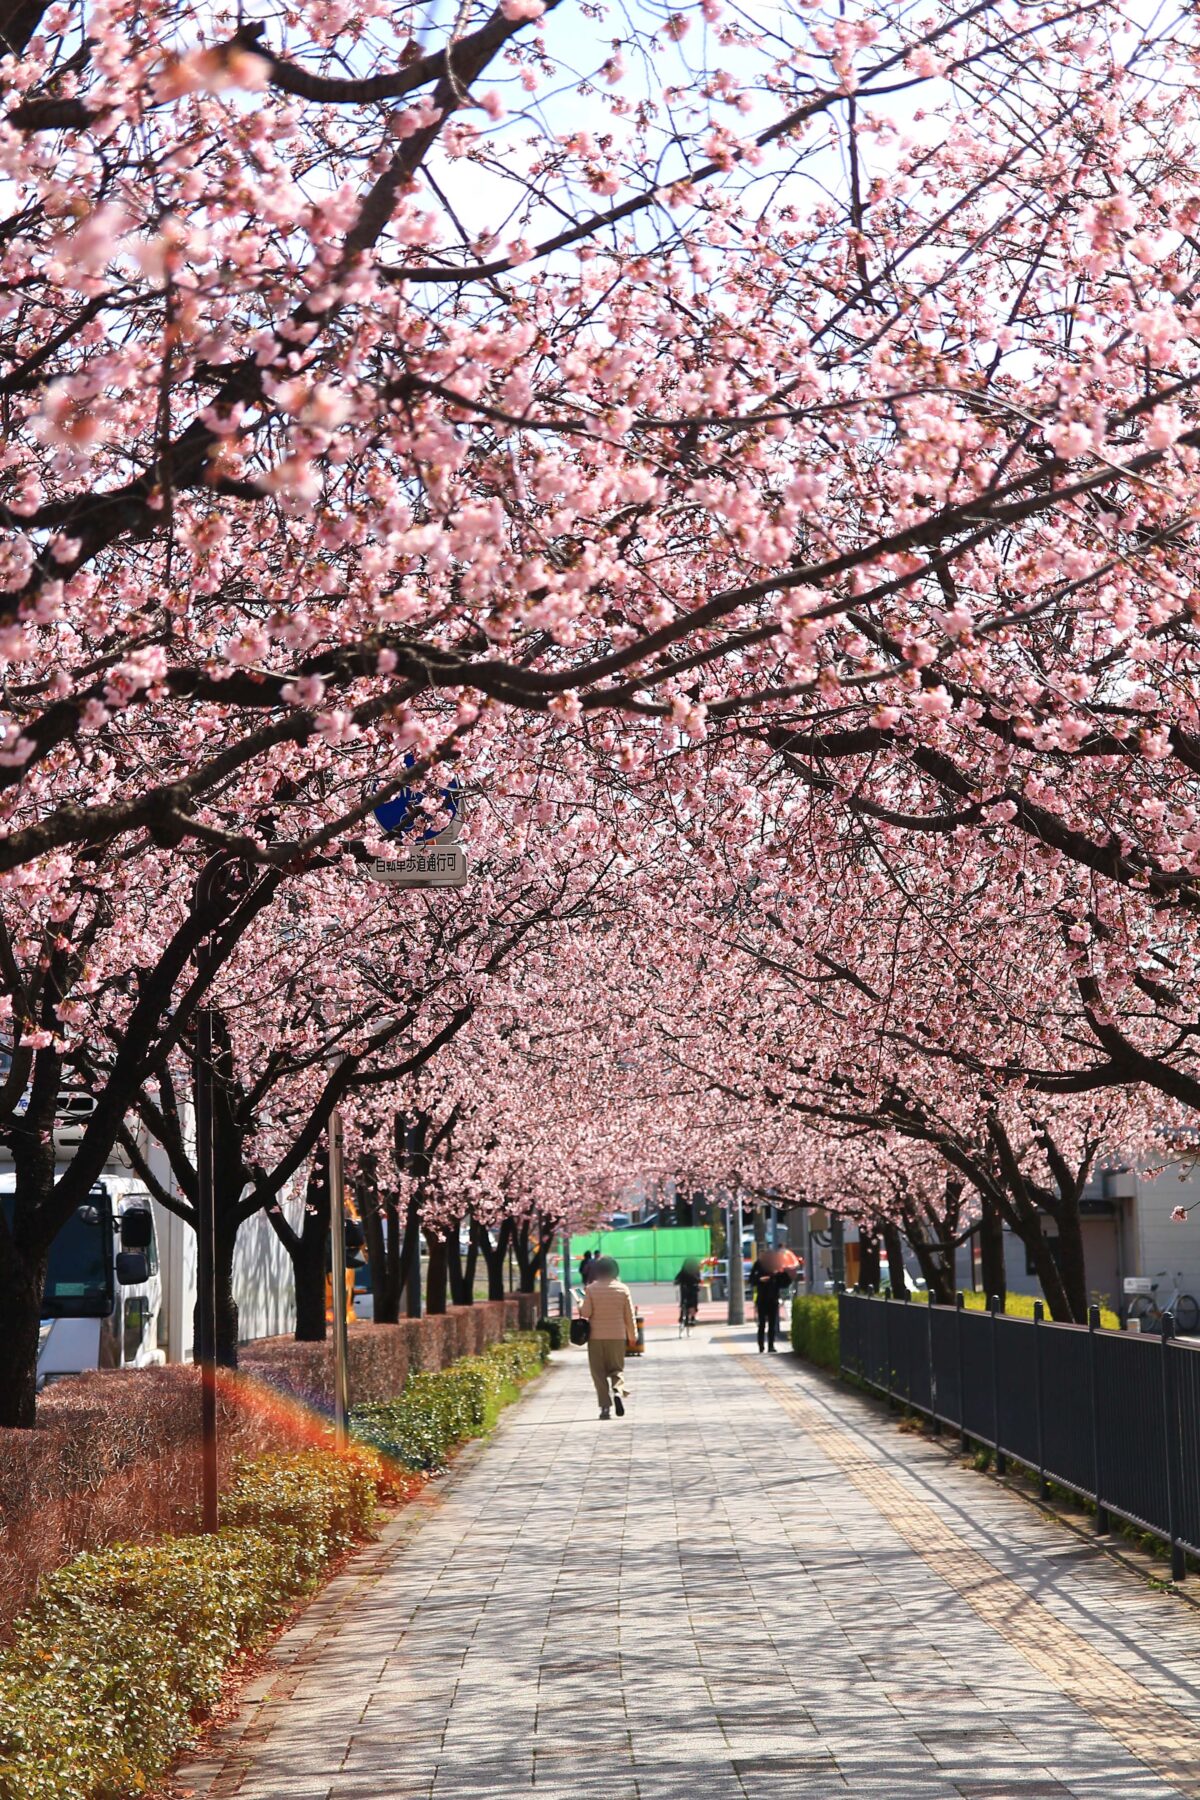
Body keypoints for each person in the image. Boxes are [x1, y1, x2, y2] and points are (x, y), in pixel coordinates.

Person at [579, 1256, 637, 1419]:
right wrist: (632, 1335)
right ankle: (618, 1391)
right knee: (616, 1369)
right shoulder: (622, 1289)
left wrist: (579, 1302)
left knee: (598, 1373)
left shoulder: (591, 1289)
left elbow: (586, 1313)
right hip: (617, 1336)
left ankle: (605, 1407)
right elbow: (629, 1315)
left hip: (596, 1337)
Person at [750, 1251, 793, 1353]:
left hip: (773, 1299)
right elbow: (752, 1279)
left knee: (772, 1325)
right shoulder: (758, 1265)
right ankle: (761, 1347)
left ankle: (771, 1346)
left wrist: (781, 1273)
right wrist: (760, 1279)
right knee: (762, 1324)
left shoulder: (777, 1266)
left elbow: (785, 1282)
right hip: (762, 1299)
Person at [674, 1257, 702, 1326]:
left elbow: (698, 1279)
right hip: (688, 1289)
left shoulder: (689, 1271)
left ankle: (691, 1318)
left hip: (690, 1288)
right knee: (687, 1303)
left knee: (690, 1303)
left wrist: (676, 1281)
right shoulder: (687, 1271)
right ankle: (687, 1317)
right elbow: (677, 1278)